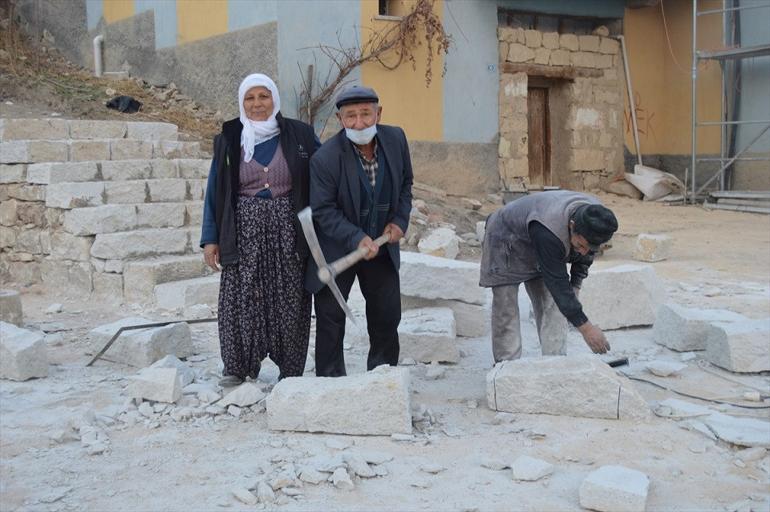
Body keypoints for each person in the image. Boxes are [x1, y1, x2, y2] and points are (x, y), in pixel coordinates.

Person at [200, 73, 319, 386]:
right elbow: (215, 191)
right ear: (242, 102)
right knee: (241, 297)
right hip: (242, 230)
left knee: (291, 296)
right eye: (249, 98)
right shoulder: (229, 138)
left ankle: (290, 369)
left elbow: (325, 171)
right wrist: (210, 238)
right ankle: (238, 367)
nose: (257, 104)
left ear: (275, 99)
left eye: (263, 96)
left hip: (289, 230)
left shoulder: (300, 135)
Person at [307, 85, 413, 377]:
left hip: (382, 246)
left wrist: (400, 221)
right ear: (340, 120)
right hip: (337, 247)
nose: (359, 123)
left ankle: (383, 378)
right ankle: (330, 382)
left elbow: (406, 185)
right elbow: (324, 210)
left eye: (366, 114)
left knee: (386, 314)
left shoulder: (396, 139)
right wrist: (356, 238)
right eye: (350, 116)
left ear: (379, 113)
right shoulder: (325, 158)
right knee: (331, 317)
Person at [479, 190, 618, 362]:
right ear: (572, 226)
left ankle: (554, 362)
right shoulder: (549, 229)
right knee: (506, 305)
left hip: (538, 238)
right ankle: (507, 367)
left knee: (552, 303)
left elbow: (584, 258)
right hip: (505, 238)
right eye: (580, 245)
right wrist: (587, 329)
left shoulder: (596, 220)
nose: (584, 251)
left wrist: (575, 287)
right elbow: (557, 282)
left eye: (590, 249)